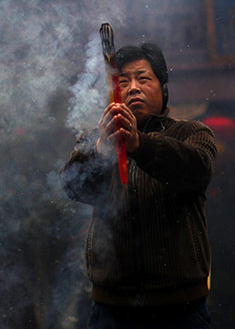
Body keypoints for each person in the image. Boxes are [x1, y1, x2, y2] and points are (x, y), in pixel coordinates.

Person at [60, 42, 216, 329]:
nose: (133, 88)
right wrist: (101, 151)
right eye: (123, 82)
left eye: (143, 79)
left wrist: (138, 144)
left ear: (162, 87)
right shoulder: (97, 139)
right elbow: (73, 186)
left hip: (180, 308)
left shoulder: (191, 133)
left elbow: (197, 169)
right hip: (112, 308)